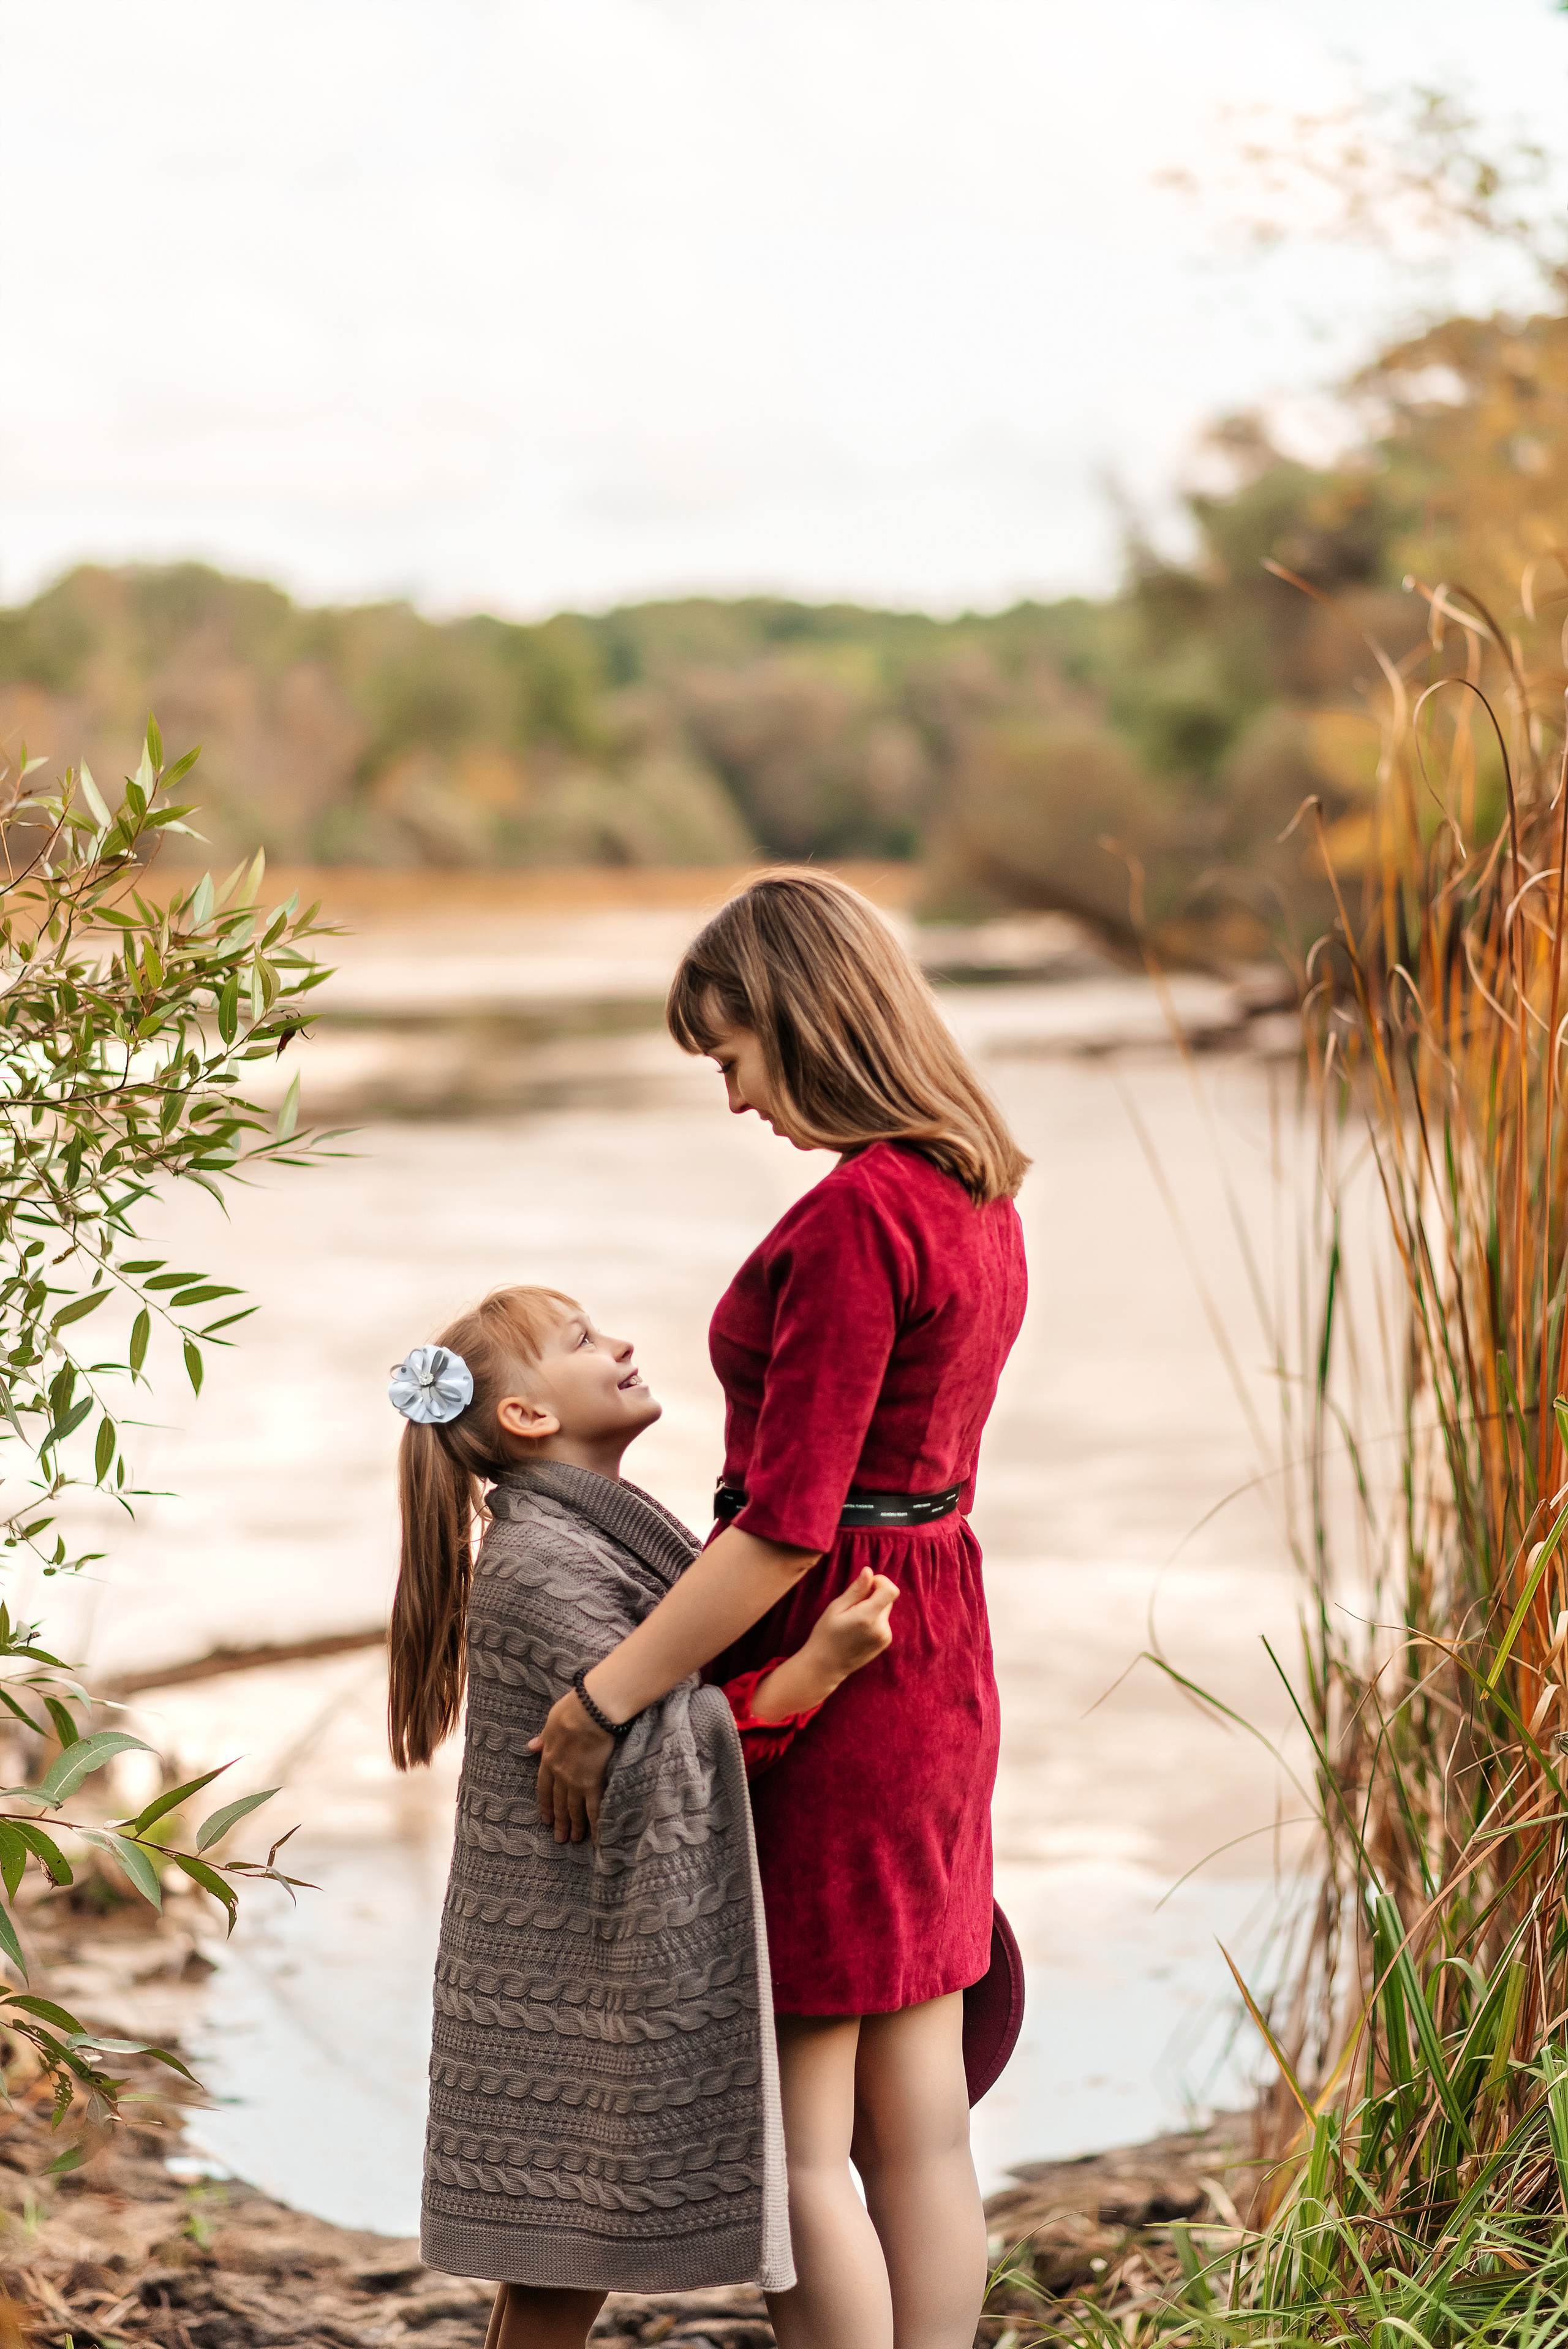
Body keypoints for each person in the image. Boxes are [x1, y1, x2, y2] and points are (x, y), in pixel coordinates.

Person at [533, 870, 1030, 2349]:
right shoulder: (976, 1193)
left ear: (807, 1021)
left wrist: (602, 1697)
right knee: (917, 2126)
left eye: (733, 1055)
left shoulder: (856, 1220)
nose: (736, 1099)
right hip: (937, 1639)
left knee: (799, 2143)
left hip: (837, 1666)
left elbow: (782, 1526)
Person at [387, 1282, 898, 2349]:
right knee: (559, 2259)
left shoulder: (586, 1536)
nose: (620, 1342)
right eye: (581, 1339)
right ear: (528, 1416)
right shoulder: (540, 1563)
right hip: (577, 1969)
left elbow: (653, 1708)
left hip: (589, 1958)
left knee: (560, 2261)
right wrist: (813, 1669)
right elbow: (654, 1749)